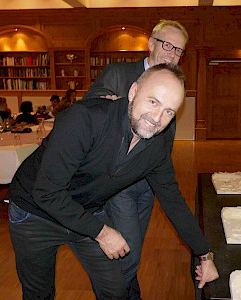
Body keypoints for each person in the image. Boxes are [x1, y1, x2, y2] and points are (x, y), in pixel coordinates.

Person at [8, 64, 219, 300]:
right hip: (35, 213)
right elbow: (46, 193)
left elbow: (174, 202)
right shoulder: (84, 119)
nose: (158, 118)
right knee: (39, 294)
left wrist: (205, 255)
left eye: (169, 111)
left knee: (115, 289)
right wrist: (102, 233)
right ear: (133, 92)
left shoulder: (157, 148)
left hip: (86, 211)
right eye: (153, 102)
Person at [83, 19, 189, 298]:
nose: (172, 54)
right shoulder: (119, 73)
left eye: (179, 50)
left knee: (132, 248)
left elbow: (164, 137)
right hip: (119, 183)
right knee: (127, 253)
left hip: (148, 184)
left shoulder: (172, 84)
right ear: (151, 44)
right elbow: (92, 108)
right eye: (168, 45)